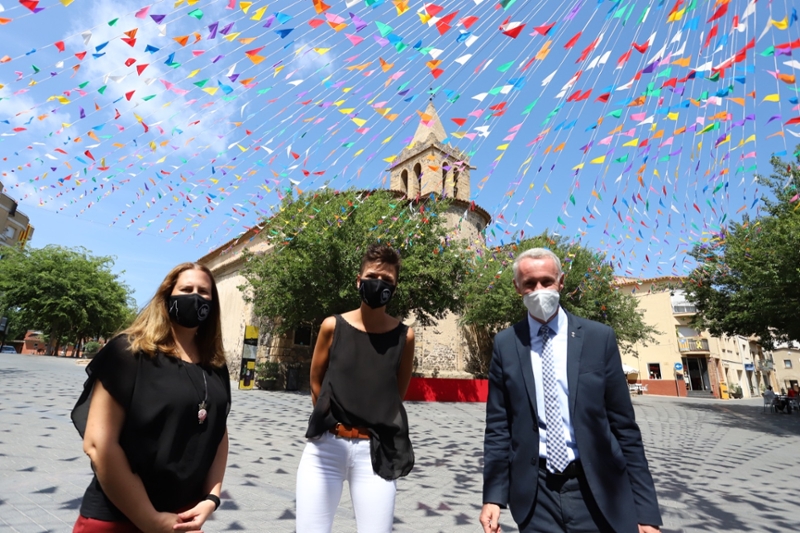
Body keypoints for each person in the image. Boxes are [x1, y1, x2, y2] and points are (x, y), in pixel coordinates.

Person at [480, 248, 662, 533]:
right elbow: (498, 427)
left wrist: (646, 512)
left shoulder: (598, 338)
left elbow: (624, 427)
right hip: (536, 495)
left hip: (597, 489)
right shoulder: (506, 344)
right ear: (518, 288)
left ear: (561, 282)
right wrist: (493, 496)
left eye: (546, 281)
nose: (538, 290)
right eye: (529, 284)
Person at [71, 263, 231, 532]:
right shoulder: (129, 352)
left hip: (183, 519)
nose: (195, 296)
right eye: (186, 289)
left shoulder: (215, 364)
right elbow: (99, 444)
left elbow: (218, 432)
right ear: (167, 296)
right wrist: (149, 519)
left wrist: (212, 498)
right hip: (120, 516)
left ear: (212, 303)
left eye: (203, 292)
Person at [296, 244, 416, 533]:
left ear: (395, 288)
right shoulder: (332, 326)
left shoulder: (405, 336)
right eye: (373, 276)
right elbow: (316, 380)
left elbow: (397, 393)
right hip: (326, 448)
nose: (379, 284)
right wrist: (331, 416)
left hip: (374, 451)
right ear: (359, 280)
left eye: (388, 281)